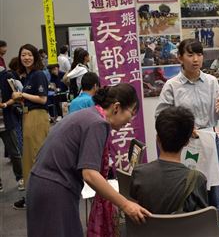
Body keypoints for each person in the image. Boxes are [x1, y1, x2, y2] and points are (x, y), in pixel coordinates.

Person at [26, 83, 151, 236]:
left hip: (44, 184)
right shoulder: (98, 124)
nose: (130, 120)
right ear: (116, 107)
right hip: (54, 190)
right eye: (131, 113)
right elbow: (90, 174)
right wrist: (126, 205)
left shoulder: (90, 115)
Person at [130, 106, 208, 213]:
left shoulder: (139, 173)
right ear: (187, 142)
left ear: (157, 139)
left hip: (149, 230)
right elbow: (202, 219)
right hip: (184, 230)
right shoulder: (197, 179)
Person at [155, 38, 219, 129]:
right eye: (190, 55)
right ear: (180, 58)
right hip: (185, 140)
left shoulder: (212, 81)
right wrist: (182, 128)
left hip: (210, 139)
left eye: (199, 55)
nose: (196, 59)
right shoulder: (172, 85)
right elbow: (160, 118)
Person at [12, 44, 50, 209]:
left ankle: (40, 197)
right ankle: (32, 195)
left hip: (36, 117)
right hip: (28, 116)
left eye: (29, 54)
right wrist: (22, 98)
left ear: (35, 57)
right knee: (28, 157)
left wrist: (21, 94)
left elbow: (43, 99)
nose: (26, 57)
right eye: (23, 55)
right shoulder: (27, 76)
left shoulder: (38, 74)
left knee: (36, 156)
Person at [0, 65, 24, 191]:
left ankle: (20, 178)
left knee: (15, 152)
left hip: (6, 121)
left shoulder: (6, 75)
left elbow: (16, 96)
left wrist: (5, 104)